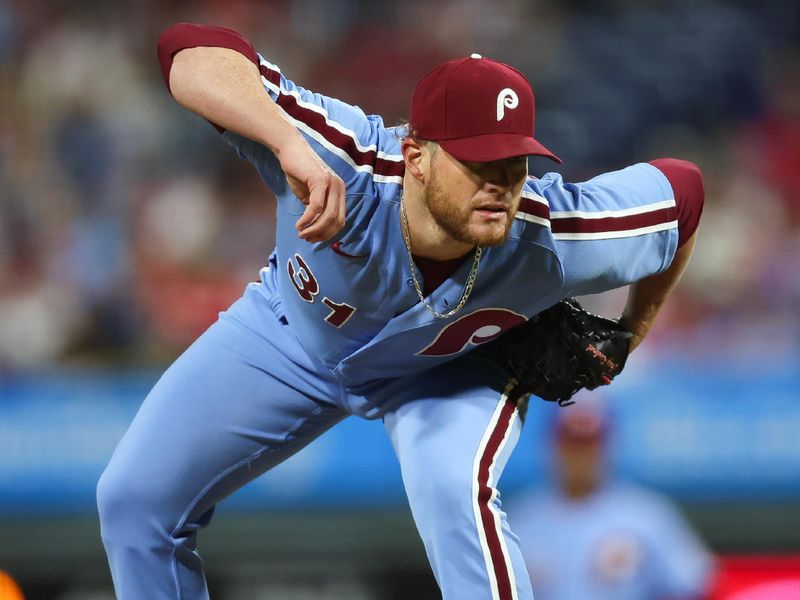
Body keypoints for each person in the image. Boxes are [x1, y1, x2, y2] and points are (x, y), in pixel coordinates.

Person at [96, 22, 704, 600]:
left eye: (512, 164)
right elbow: (188, 49)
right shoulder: (343, 160)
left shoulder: (555, 235)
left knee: (452, 492)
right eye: (476, 163)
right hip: (291, 337)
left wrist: (632, 328)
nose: (498, 184)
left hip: (448, 371)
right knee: (132, 501)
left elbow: (682, 194)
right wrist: (284, 142)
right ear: (416, 156)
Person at [507, 400, 713, 600]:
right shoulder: (517, 520)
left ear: (608, 444)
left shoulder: (647, 515)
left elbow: (695, 584)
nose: (581, 455)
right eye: (571, 442)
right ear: (551, 444)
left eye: (590, 442)